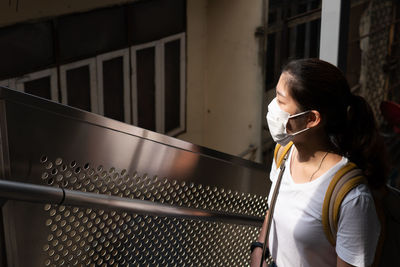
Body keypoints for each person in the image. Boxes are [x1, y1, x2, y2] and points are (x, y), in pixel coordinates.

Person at [250, 58, 387, 267]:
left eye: (280, 101)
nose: (272, 108)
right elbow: (275, 207)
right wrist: (258, 250)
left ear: (311, 119)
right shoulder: (284, 153)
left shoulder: (352, 199)